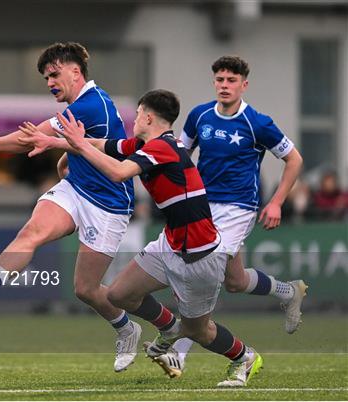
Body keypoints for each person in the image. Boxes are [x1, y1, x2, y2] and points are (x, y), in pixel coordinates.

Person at [22, 89, 263, 387]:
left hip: (200, 254)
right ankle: (171, 329)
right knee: (119, 295)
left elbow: (120, 173)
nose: (133, 119)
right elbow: (105, 146)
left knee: (201, 332)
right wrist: (58, 143)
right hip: (170, 243)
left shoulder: (163, 148)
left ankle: (244, 357)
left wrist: (79, 146)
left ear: (148, 116)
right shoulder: (143, 144)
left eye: (137, 114)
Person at [0, 42, 156, 372]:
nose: (49, 82)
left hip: (108, 205)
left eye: (54, 74)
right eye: (46, 77)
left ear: (76, 72)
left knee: (85, 289)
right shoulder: (84, 104)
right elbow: (79, 143)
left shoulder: (92, 104)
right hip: (75, 189)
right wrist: (66, 158)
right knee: (31, 230)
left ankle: (127, 329)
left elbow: (29, 139)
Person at [158, 55, 306, 375]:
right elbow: (179, 157)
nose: (225, 86)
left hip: (239, 209)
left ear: (244, 84)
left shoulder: (258, 123)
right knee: (236, 281)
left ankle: (179, 352)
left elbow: (294, 160)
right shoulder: (199, 116)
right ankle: (289, 291)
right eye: (220, 80)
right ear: (214, 82)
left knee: (199, 269)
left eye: (231, 81)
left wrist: (277, 201)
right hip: (201, 207)